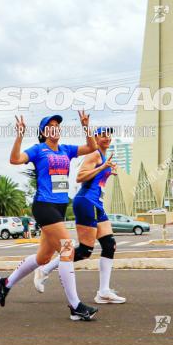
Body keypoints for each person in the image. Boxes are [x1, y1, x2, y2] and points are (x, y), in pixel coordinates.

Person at [0, 111, 99, 321]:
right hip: (44, 206)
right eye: (50, 126)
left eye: (57, 125)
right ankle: (75, 306)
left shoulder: (66, 150)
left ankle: (5, 283)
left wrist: (86, 126)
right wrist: (19, 135)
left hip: (60, 208)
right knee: (68, 248)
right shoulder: (38, 150)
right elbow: (15, 159)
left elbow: (92, 147)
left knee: (43, 258)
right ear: (43, 132)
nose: (55, 128)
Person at [34, 126, 126, 304]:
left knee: (109, 245)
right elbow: (80, 177)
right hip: (85, 202)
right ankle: (45, 270)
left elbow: (96, 179)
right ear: (96, 139)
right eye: (102, 136)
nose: (107, 138)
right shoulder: (94, 154)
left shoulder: (104, 156)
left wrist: (107, 172)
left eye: (109, 135)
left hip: (96, 203)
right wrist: (103, 168)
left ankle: (103, 292)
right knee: (85, 251)